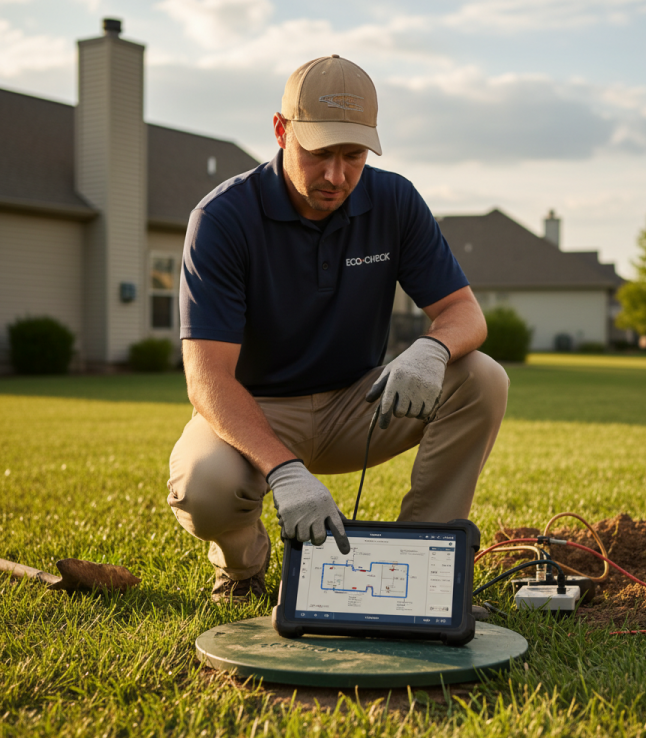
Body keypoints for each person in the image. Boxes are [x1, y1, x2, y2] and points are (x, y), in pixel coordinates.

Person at [167, 55, 509, 602]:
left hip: (362, 403)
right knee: (203, 486)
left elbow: (466, 312)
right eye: (320, 153)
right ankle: (242, 570)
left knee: (483, 377)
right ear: (281, 132)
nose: (336, 175)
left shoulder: (394, 200)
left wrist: (431, 349)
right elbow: (206, 378)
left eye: (353, 156)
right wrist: (284, 471)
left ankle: (425, 561)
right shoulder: (223, 218)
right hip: (260, 408)